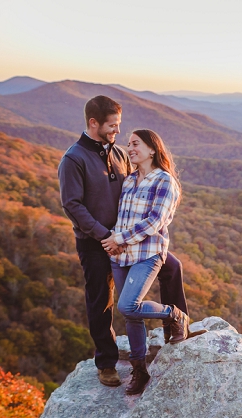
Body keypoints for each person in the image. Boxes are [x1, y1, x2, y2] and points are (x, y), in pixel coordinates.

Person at [58, 95, 189, 388]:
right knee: (101, 300)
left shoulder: (118, 154)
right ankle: (106, 362)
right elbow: (72, 205)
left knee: (172, 266)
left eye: (119, 125)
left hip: (128, 241)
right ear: (94, 123)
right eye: (112, 126)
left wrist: (121, 237)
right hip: (97, 241)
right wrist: (106, 238)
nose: (117, 131)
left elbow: (141, 197)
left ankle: (177, 325)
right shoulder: (74, 159)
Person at [102, 129, 189, 395]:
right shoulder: (128, 181)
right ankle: (139, 370)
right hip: (121, 256)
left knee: (129, 304)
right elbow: (121, 217)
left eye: (135, 143)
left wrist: (120, 238)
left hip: (148, 253)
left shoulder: (164, 181)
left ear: (152, 149)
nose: (130, 148)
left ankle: (174, 314)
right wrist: (114, 243)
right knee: (131, 315)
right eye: (128, 144)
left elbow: (155, 221)